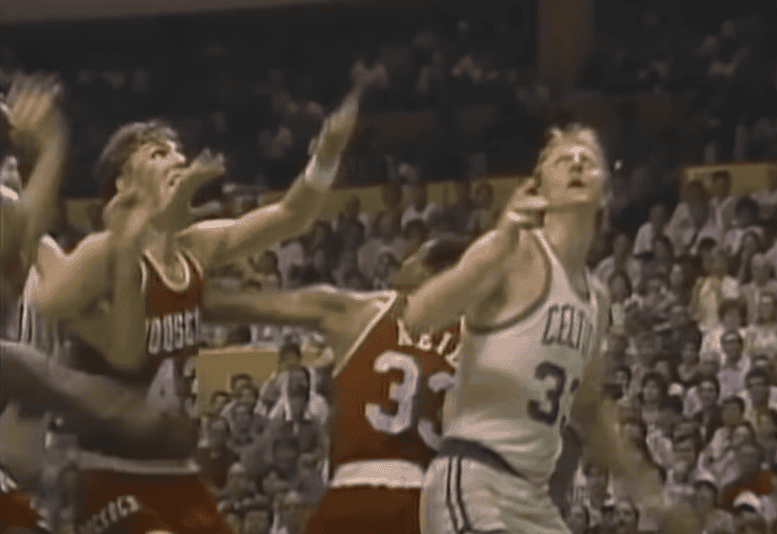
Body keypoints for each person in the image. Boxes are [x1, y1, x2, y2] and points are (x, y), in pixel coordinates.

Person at [22, 90, 359, 534]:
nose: (177, 158)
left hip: (179, 471)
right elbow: (51, 302)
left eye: (178, 150)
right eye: (159, 153)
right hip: (108, 469)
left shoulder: (196, 249)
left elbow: (291, 216)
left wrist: (326, 158)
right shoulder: (105, 252)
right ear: (123, 185)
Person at [406, 124, 694, 534]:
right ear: (539, 187)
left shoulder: (596, 299)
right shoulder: (513, 249)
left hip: (532, 498)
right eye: (563, 160)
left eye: (588, 161)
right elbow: (418, 316)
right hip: (474, 477)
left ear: (606, 192)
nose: (577, 163)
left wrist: (651, 496)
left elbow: (590, 412)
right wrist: (496, 243)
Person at [200, 237, 470, 533]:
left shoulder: (361, 311)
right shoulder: (481, 344)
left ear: (430, 270)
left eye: (413, 257)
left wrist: (177, 280)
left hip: (353, 490)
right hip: (427, 504)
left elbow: (233, 306)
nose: (402, 264)